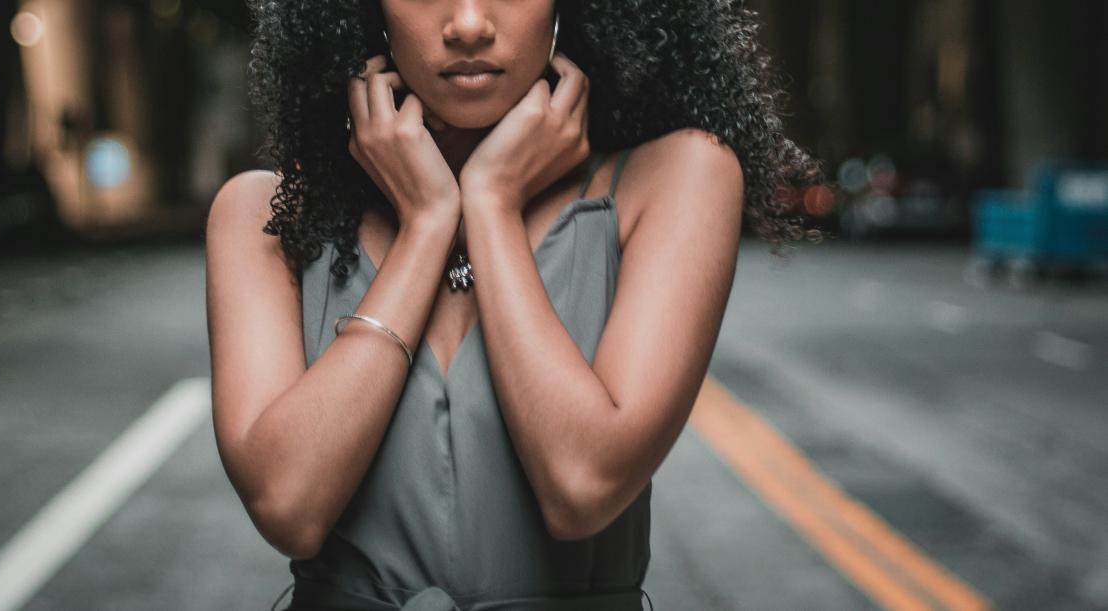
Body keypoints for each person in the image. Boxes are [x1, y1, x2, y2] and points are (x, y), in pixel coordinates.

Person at [205, 1, 826, 609]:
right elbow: (288, 505)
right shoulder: (261, 217)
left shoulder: (677, 176)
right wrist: (427, 221)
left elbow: (582, 486)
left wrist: (492, 201)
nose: (469, 24)